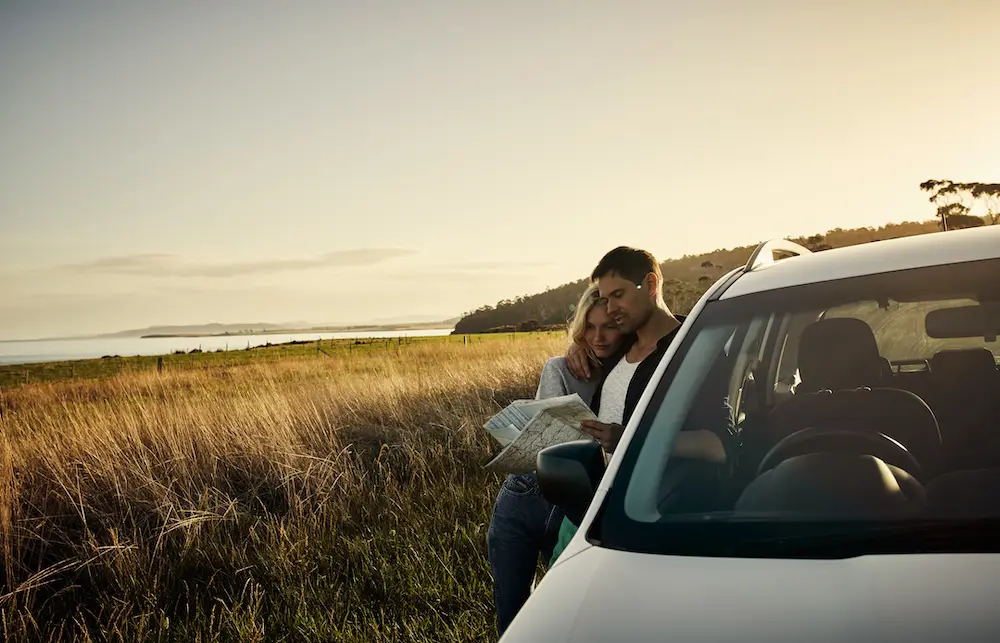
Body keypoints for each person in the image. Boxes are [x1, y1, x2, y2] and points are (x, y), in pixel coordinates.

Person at [548, 246, 737, 565]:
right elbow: (593, 339)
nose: (611, 309)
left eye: (618, 295)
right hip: (591, 510)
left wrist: (630, 440)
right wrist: (577, 346)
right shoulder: (619, 347)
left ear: (650, 284)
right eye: (605, 298)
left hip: (648, 519)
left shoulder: (695, 351)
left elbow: (718, 445)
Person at [486, 283, 628, 638]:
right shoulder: (561, 368)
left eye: (609, 326)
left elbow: (673, 328)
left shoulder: (633, 370)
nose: (598, 337)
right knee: (512, 618)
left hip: (579, 506)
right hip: (526, 495)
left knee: (563, 616)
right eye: (589, 327)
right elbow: (543, 440)